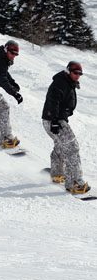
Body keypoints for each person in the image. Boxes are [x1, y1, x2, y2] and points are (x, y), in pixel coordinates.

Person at [42, 61, 90, 194]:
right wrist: (55, 121)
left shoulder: (67, 82)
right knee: (72, 147)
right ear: (68, 71)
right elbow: (53, 101)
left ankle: (57, 173)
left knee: (61, 145)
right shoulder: (60, 83)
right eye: (75, 73)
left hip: (53, 120)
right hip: (54, 120)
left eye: (80, 74)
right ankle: (74, 182)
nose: (77, 76)